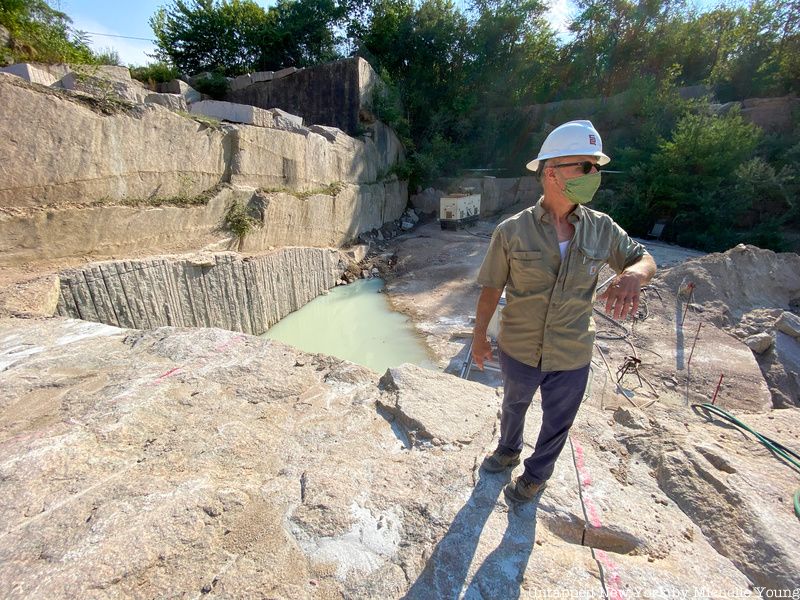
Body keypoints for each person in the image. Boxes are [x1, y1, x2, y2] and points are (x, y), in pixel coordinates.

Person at [472, 120, 657, 504]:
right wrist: (478, 340)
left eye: (596, 167)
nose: (595, 175)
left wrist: (635, 276)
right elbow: (491, 289)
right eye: (586, 167)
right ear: (552, 172)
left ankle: (536, 476)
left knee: (558, 424)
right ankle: (508, 450)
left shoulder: (601, 229)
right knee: (513, 405)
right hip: (520, 347)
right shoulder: (512, 231)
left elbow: (643, 258)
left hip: (573, 353)